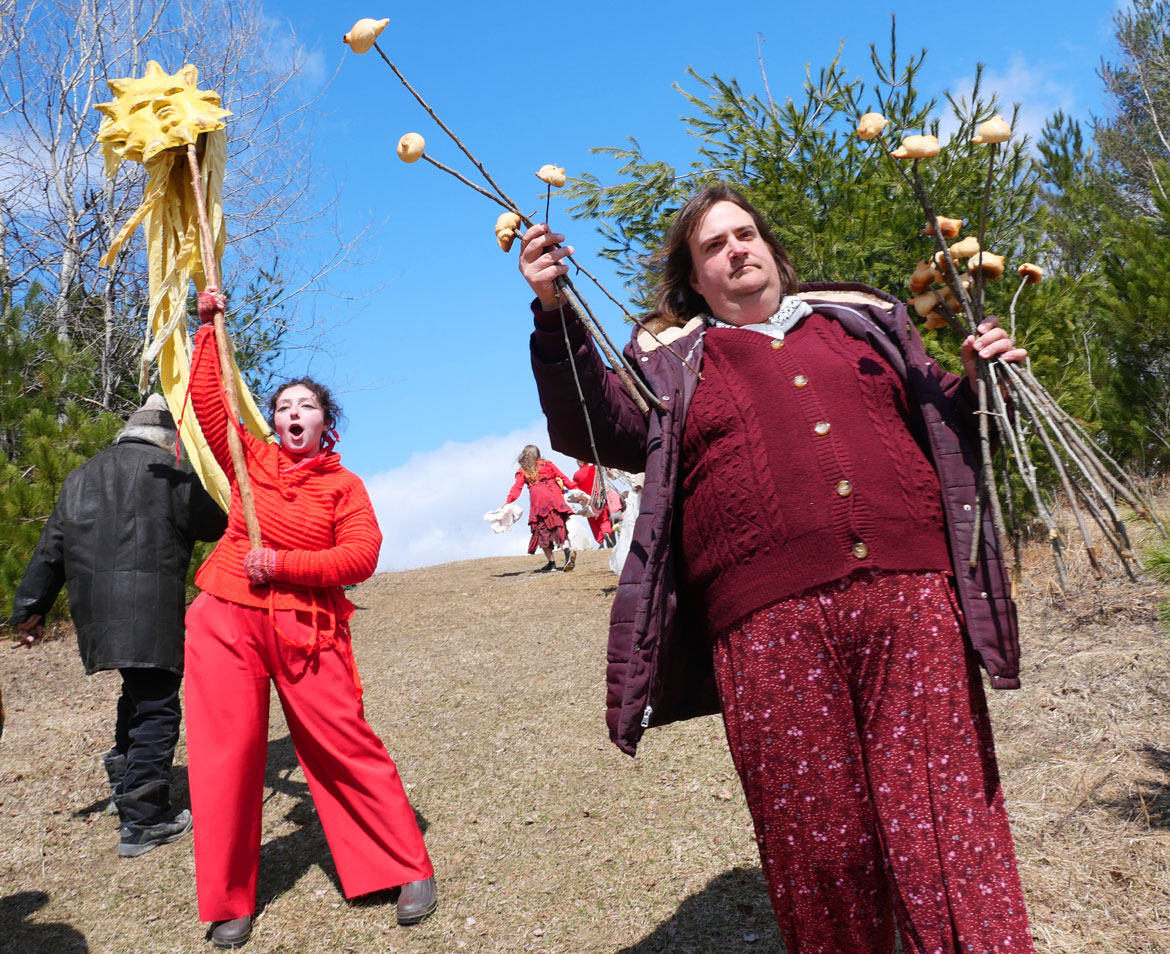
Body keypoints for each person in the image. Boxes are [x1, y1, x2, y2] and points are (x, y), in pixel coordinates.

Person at [518, 184, 1035, 954]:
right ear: (694, 279)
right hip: (767, 631)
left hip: (915, 603)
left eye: (745, 234)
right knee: (820, 849)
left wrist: (987, 380)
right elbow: (598, 427)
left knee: (947, 828)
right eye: (713, 246)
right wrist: (554, 311)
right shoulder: (671, 359)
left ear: (771, 248)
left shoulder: (863, 322)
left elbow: (951, 421)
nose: (736, 250)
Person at [183, 290, 435, 949]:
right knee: (224, 756)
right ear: (274, 421)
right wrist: (208, 328)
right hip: (224, 616)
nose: (293, 413)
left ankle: (405, 866)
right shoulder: (250, 460)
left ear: (327, 422)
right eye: (283, 407)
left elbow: (361, 557)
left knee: (343, 741)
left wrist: (284, 564)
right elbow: (209, 403)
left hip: (307, 627)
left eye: (307, 406)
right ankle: (229, 899)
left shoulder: (343, 487)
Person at [7, 394, 227, 857]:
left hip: (94, 612)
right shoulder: (172, 471)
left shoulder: (80, 476)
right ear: (169, 440)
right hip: (151, 606)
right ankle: (144, 820)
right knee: (157, 706)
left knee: (139, 692)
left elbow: (51, 547)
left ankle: (124, 787)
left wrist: (30, 609)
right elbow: (215, 525)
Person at [503, 445, 578, 572]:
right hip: (555, 498)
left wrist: (508, 501)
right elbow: (563, 477)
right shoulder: (548, 464)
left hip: (539, 502)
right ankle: (567, 551)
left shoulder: (523, 471)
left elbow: (517, 488)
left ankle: (552, 563)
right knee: (559, 526)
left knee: (541, 530)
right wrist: (576, 489)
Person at [572, 460, 614, 547]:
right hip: (598, 498)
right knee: (603, 519)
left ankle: (600, 541)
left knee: (593, 523)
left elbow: (575, 491)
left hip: (587, 502)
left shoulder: (576, 475)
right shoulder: (594, 469)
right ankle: (606, 532)